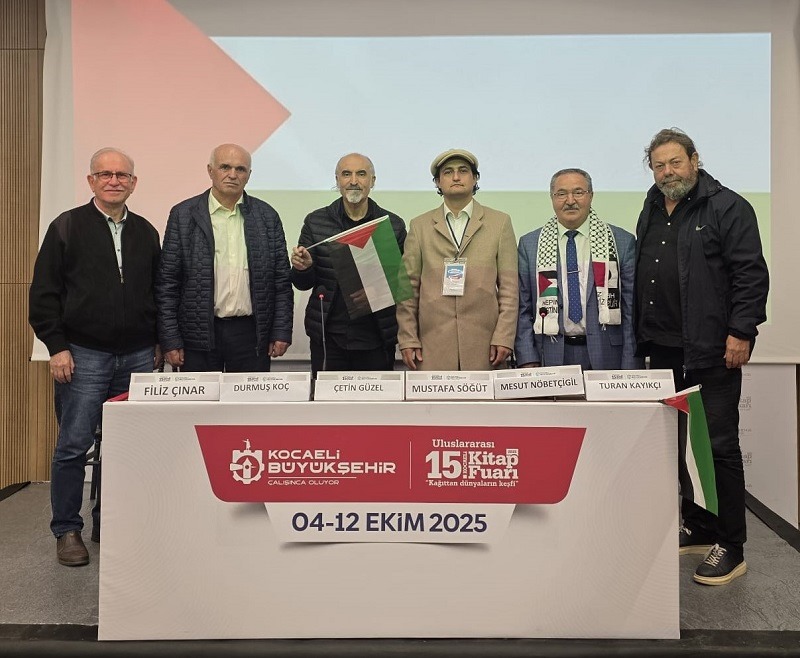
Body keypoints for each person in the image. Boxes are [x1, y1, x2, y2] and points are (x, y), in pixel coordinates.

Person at [636, 128, 769, 585]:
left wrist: (741, 331)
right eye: (659, 165)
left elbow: (750, 275)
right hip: (663, 349)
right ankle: (699, 525)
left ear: (695, 160)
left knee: (718, 446)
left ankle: (732, 544)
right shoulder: (652, 206)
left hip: (711, 350)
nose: (667, 172)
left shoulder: (729, 207)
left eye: (675, 162)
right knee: (680, 445)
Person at [29, 148, 161, 566]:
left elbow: (156, 292)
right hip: (83, 354)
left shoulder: (146, 231)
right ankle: (67, 529)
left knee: (125, 448)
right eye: (105, 174)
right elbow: (44, 294)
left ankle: (112, 522)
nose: (114, 181)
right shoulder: (66, 226)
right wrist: (57, 346)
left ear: (133, 183)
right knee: (73, 445)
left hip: (137, 356)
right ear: (91, 181)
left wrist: (158, 341)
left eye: (122, 175)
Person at [156, 144, 293, 372]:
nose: (232, 174)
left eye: (240, 169)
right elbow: (168, 283)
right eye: (225, 167)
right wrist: (170, 338)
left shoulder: (267, 216)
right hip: (198, 334)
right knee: (202, 397)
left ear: (249, 175)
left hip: (251, 335)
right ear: (210, 171)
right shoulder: (183, 215)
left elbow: (281, 281)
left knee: (249, 397)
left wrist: (281, 330)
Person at [396, 148, 518, 371]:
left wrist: (504, 336)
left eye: (463, 171)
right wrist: (408, 338)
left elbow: (509, 289)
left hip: (485, 346)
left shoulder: (499, 222)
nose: (456, 177)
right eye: (448, 172)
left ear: (475, 178)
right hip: (432, 346)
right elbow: (407, 289)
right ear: (437, 182)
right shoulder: (419, 226)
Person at [290, 154, 406, 375]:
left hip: (377, 337)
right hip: (329, 338)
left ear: (372, 181)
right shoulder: (316, 222)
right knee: (325, 397)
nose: (354, 181)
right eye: (346, 174)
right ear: (337, 180)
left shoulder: (392, 225)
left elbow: (403, 283)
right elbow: (302, 284)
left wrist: (378, 293)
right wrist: (303, 268)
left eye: (361, 174)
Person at [515, 168, 640, 370]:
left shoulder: (621, 242)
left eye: (578, 192)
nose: (570, 200)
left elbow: (630, 311)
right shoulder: (530, 244)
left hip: (608, 355)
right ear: (552, 198)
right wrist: (527, 358)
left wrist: (631, 364)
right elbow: (523, 308)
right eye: (561, 193)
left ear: (591, 196)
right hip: (549, 355)